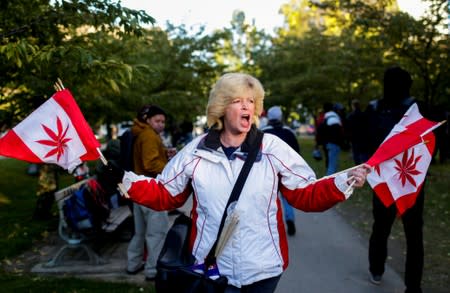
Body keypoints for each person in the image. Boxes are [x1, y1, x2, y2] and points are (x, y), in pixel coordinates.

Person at [108, 73, 370, 291]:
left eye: (251, 101)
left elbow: (306, 193)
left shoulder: (272, 148)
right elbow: (165, 193)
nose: (247, 107)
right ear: (221, 108)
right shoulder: (196, 152)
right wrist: (124, 180)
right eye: (237, 100)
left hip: (263, 269)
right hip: (211, 268)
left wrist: (341, 181)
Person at [365, 66, 424, 293]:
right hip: (408, 178)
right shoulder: (416, 109)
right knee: (411, 233)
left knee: (383, 227)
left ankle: (377, 269)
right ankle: (412, 285)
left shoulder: (377, 109)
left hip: (393, 177)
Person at [126, 104, 172, 281]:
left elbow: (150, 159)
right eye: (157, 120)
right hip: (151, 190)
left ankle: (133, 264)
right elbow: (150, 164)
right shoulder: (149, 136)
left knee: (140, 232)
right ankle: (153, 271)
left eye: (163, 121)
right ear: (148, 120)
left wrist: (164, 155)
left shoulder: (144, 134)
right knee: (156, 233)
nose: (161, 124)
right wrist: (171, 169)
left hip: (140, 190)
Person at [261, 105, 300, 236]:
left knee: (269, 199)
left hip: (267, 171)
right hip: (286, 170)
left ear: (269, 118)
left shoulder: (263, 132)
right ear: (281, 117)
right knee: (286, 196)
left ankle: (270, 226)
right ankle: (289, 219)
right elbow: (297, 152)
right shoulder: (289, 132)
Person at [315, 102, 345, 175]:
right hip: (334, 144)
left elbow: (320, 131)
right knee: (332, 165)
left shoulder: (325, 118)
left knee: (331, 163)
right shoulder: (334, 119)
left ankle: (332, 180)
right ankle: (329, 181)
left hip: (327, 144)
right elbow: (338, 134)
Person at [346, 99, 369, 165]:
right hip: (363, 137)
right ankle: (365, 167)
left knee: (356, 155)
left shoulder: (350, 116)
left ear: (353, 106)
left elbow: (348, 128)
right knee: (364, 155)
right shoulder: (364, 115)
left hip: (354, 138)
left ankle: (358, 167)